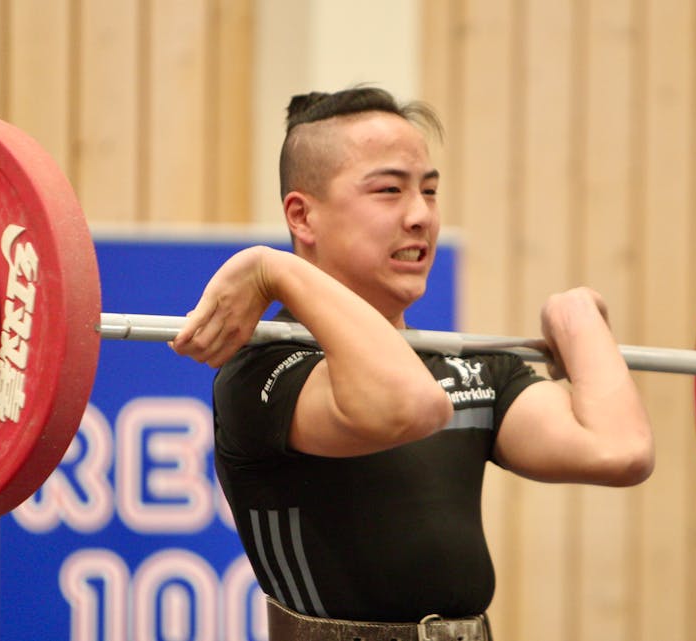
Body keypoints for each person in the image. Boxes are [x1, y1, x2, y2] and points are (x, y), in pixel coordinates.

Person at [171, 87, 654, 640]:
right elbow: (408, 406)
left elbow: (621, 451)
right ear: (301, 216)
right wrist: (275, 270)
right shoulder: (261, 371)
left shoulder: (471, 366)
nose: (421, 216)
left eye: (429, 191)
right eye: (389, 191)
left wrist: (575, 316)